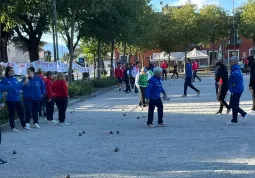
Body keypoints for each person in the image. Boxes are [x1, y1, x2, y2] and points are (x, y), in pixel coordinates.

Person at [0, 66, 27, 131]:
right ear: (8, 72)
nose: (13, 72)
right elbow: (5, 88)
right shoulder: (5, 80)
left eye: (13, 71)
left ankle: (24, 125)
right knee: (12, 114)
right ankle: (13, 127)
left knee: (21, 112)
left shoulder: (15, 79)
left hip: (17, 99)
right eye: (12, 71)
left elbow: (19, 87)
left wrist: (23, 83)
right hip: (10, 99)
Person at [227, 56, 248, 124]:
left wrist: (232, 83)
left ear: (234, 62)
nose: (229, 62)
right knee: (235, 104)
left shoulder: (235, 69)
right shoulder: (234, 68)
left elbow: (236, 78)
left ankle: (244, 114)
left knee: (233, 104)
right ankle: (234, 119)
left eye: (230, 61)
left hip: (236, 89)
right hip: (237, 88)